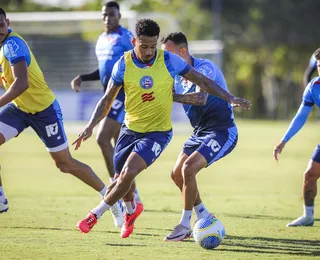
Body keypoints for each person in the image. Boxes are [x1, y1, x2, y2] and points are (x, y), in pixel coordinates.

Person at [74, 19, 251, 238]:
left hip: (209, 130)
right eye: (144, 46)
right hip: (136, 129)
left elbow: (201, 94)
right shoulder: (125, 64)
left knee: (175, 170)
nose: (150, 52)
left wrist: (230, 97)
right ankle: (198, 214)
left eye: (154, 46)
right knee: (167, 175)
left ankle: (181, 225)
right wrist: (91, 126)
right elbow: (107, 99)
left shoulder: (178, 64)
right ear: (134, 42)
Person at [0, 8, 107, 214]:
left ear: (8, 22)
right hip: (20, 109)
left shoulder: (12, 45)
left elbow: (21, 83)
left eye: (1, 25)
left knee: (65, 164)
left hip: (44, 110)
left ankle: (109, 197)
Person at [160, 32, 238, 241]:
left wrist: (166, 95)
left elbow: (200, 98)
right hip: (199, 132)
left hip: (222, 130)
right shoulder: (174, 75)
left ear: (182, 51)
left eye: (168, 53)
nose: (165, 58)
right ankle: (204, 215)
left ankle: (184, 225)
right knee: (176, 174)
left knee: (188, 168)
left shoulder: (205, 68)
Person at [70, 1, 140, 228]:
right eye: (104, 15)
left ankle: (116, 186)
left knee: (101, 138)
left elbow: (137, 63)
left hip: (123, 96)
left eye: (111, 14)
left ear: (119, 15)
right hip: (108, 96)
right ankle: (132, 194)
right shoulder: (101, 40)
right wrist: (83, 76)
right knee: (120, 149)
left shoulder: (127, 37)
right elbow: (104, 70)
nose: (107, 18)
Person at [274, 47, 320, 227]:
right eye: (319, 65)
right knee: (309, 175)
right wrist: (284, 140)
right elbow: (301, 116)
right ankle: (308, 216)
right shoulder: (313, 87)